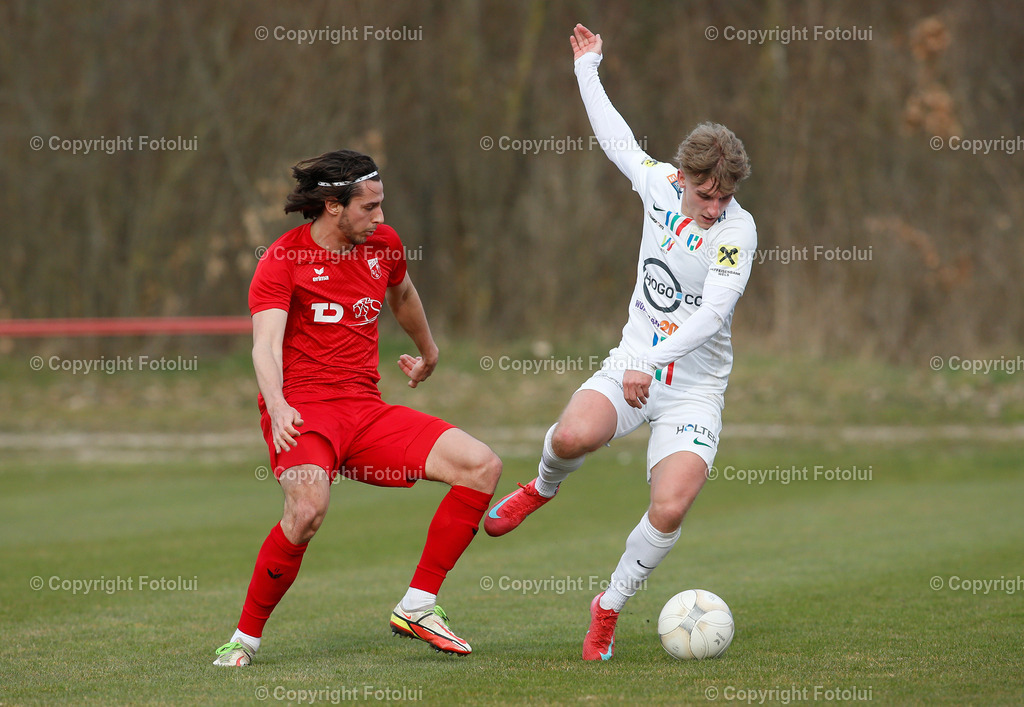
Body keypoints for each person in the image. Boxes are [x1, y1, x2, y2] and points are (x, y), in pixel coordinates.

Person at [484, 24, 757, 661]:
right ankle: (543, 487)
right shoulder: (659, 184)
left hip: (692, 388)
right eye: (705, 194)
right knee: (571, 437)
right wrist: (588, 68)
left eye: (725, 197)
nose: (713, 208)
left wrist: (650, 360)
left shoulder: (735, 235)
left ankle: (606, 608)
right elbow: (617, 140)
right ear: (683, 177)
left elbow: (711, 319)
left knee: (671, 506)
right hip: (632, 362)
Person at [214, 149, 501, 666]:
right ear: (332, 207)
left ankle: (418, 606)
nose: (381, 218)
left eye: (381, 204)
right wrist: (277, 404)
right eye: (369, 207)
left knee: (481, 465)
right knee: (307, 511)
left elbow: (404, 294)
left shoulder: (383, 245)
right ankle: (244, 639)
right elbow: (264, 344)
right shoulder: (283, 260)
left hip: (366, 412)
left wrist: (430, 352)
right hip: (303, 413)